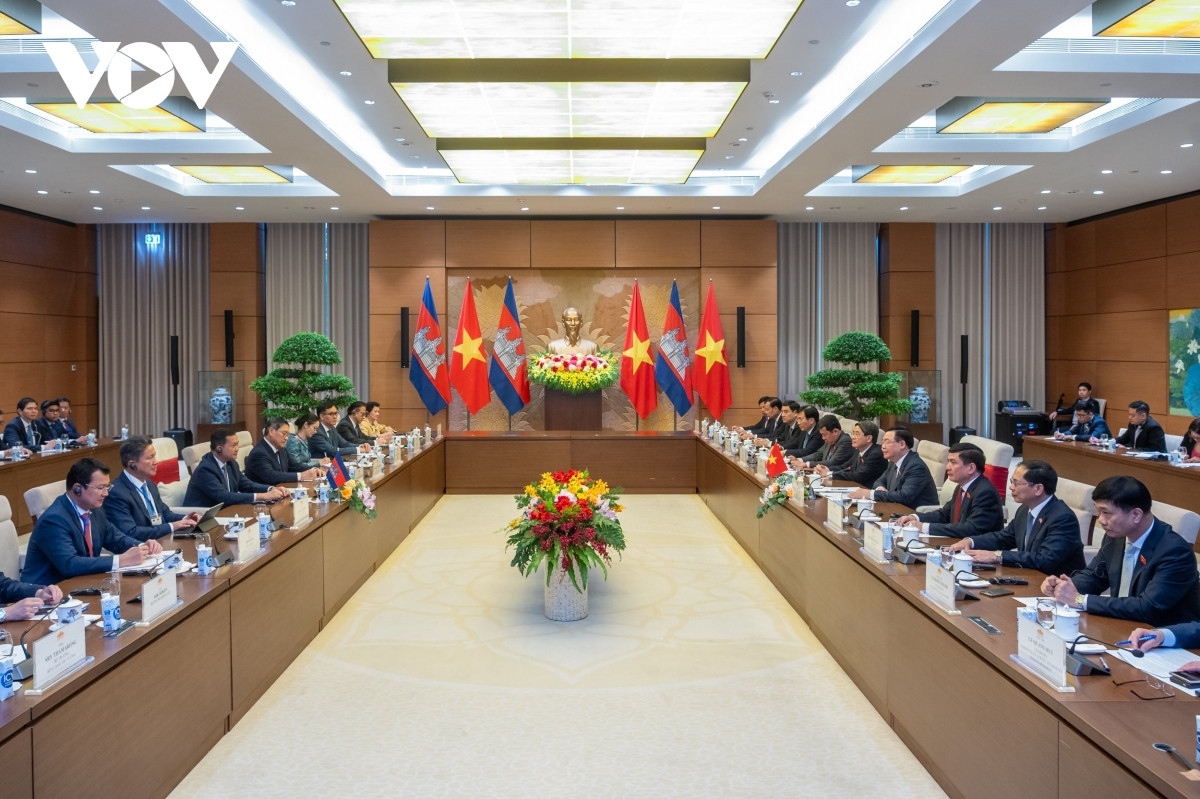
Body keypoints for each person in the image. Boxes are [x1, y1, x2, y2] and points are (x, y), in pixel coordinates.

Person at [1042, 475, 1200, 626]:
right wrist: (1062, 587)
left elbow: (1148, 607)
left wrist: (1080, 600)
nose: (1101, 520)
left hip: (1161, 637)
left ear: (1136, 515)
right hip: (1121, 624)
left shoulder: (1175, 552)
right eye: (1098, 512)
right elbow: (1095, 576)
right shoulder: (1116, 536)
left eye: (1106, 513)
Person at [22, 457, 161, 585]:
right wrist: (121, 560)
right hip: (48, 594)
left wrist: (142, 546)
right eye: (100, 488)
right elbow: (70, 564)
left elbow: (116, 539)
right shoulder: (54, 520)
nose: (106, 493)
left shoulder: (94, 510)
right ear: (77, 488)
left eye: (108, 487)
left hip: (84, 583)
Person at [948, 460, 1083, 573]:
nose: (1011, 487)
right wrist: (970, 542)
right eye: (1012, 481)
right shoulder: (1024, 510)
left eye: (1016, 483)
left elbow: (1044, 559)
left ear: (1038, 489)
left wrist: (997, 556)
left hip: (1056, 588)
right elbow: (1003, 538)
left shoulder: (1063, 518)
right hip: (1027, 577)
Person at [104, 436, 201, 541]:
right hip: (141, 548)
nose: (156, 462)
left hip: (163, 541)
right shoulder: (116, 493)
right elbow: (130, 532)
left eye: (154, 456)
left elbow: (165, 514)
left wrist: (186, 519)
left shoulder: (150, 484)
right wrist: (172, 526)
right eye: (149, 458)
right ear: (132, 464)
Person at [898, 443, 1003, 539]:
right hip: (956, 544)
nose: (947, 467)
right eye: (948, 462)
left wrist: (924, 527)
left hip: (979, 553)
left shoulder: (985, 493)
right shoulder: (962, 487)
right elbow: (944, 514)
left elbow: (970, 529)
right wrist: (915, 517)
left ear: (971, 468)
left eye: (953, 462)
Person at [183, 429, 288, 508]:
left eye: (237, 445)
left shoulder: (231, 463)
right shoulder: (205, 469)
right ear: (219, 449)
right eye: (233, 445)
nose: (237, 449)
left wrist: (270, 489)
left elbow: (246, 485)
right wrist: (265, 496)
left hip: (227, 512)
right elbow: (225, 497)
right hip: (202, 519)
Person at [850, 426, 938, 508]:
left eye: (887, 442)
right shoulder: (894, 461)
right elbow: (879, 481)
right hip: (896, 510)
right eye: (882, 442)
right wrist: (880, 489)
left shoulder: (916, 466)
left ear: (902, 444)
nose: (883, 447)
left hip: (915, 515)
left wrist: (871, 494)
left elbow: (904, 496)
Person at [245, 419, 324, 485]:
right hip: (263, 498)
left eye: (288, 435)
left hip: (281, 491)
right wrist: (301, 476)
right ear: (271, 431)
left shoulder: (281, 449)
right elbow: (271, 476)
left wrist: (313, 470)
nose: (286, 438)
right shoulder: (259, 453)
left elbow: (293, 467)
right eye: (284, 434)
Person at [816, 421, 885, 488]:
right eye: (853, 433)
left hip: (867, 492)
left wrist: (829, 474)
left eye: (857, 434)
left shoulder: (876, 454)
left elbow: (858, 475)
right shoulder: (858, 451)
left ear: (869, 438)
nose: (852, 437)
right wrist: (826, 469)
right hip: (855, 488)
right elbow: (845, 467)